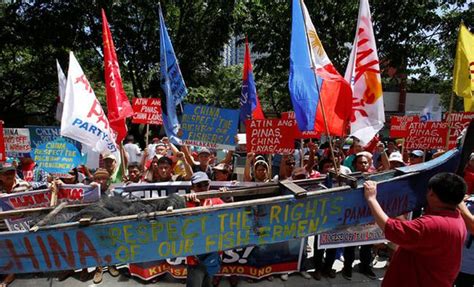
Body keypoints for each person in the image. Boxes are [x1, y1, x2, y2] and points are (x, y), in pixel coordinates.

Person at [364, 173, 467, 287]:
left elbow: (391, 229)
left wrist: (371, 199)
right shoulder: (457, 218)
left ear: (432, 193)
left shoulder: (431, 224)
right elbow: (421, 237)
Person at [185, 172, 224, 287]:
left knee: (208, 283)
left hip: (212, 253)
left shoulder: (215, 199)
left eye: (205, 184)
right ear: (193, 187)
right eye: (199, 185)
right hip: (195, 257)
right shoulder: (187, 203)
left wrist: (227, 195)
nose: (202, 188)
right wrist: (195, 206)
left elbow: (229, 213)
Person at [341, 153, 377, 280]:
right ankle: (347, 267)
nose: (363, 165)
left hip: (368, 216)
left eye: (365, 162)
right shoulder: (348, 179)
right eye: (360, 163)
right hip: (353, 216)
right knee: (350, 244)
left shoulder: (375, 178)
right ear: (355, 165)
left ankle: (365, 266)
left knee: (367, 244)